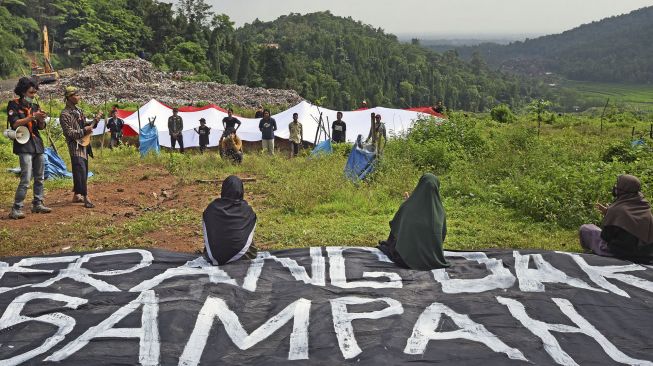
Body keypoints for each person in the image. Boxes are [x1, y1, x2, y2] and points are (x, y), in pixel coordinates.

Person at [378, 173, 449, 270]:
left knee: (390, 245)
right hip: (433, 259)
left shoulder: (407, 207)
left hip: (405, 260)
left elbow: (395, 228)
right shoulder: (440, 212)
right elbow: (442, 236)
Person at [579, 175, 653, 263]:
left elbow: (605, 236)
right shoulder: (644, 207)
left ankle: (591, 249)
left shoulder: (616, 210)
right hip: (645, 255)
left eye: (617, 186)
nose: (615, 188)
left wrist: (609, 215)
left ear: (622, 189)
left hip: (618, 254)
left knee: (586, 229)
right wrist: (609, 213)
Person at [7, 77, 51, 219]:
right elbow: (14, 124)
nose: (34, 95)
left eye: (35, 93)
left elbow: (41, 128)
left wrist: (41, 120)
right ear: (23, 91)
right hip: (23, 144)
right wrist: (32, 117)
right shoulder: (13, 105)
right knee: (26, 177)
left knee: (40, 176)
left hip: (37, 143)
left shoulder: (35, 107)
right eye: (31, 92)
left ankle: (37, 203)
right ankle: (16, 208)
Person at [60, 86, 101, 208]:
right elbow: (69, 133)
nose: (79, 97)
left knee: (82, 170)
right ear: (69, 97)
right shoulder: (64, 114)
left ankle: (76, 195)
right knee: (80, 170)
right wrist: (84, 130)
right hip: (75, 146)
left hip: (84, 144)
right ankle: (85, 197)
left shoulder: (80, 111)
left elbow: (85, 125)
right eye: (76, 95)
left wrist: (95, 121)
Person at [202, 175, 257, 265]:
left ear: (224, 190)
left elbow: (207, 228)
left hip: (213, 257)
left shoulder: (212, 208)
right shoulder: (246, 210)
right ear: (241, 190)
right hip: (242, 256)